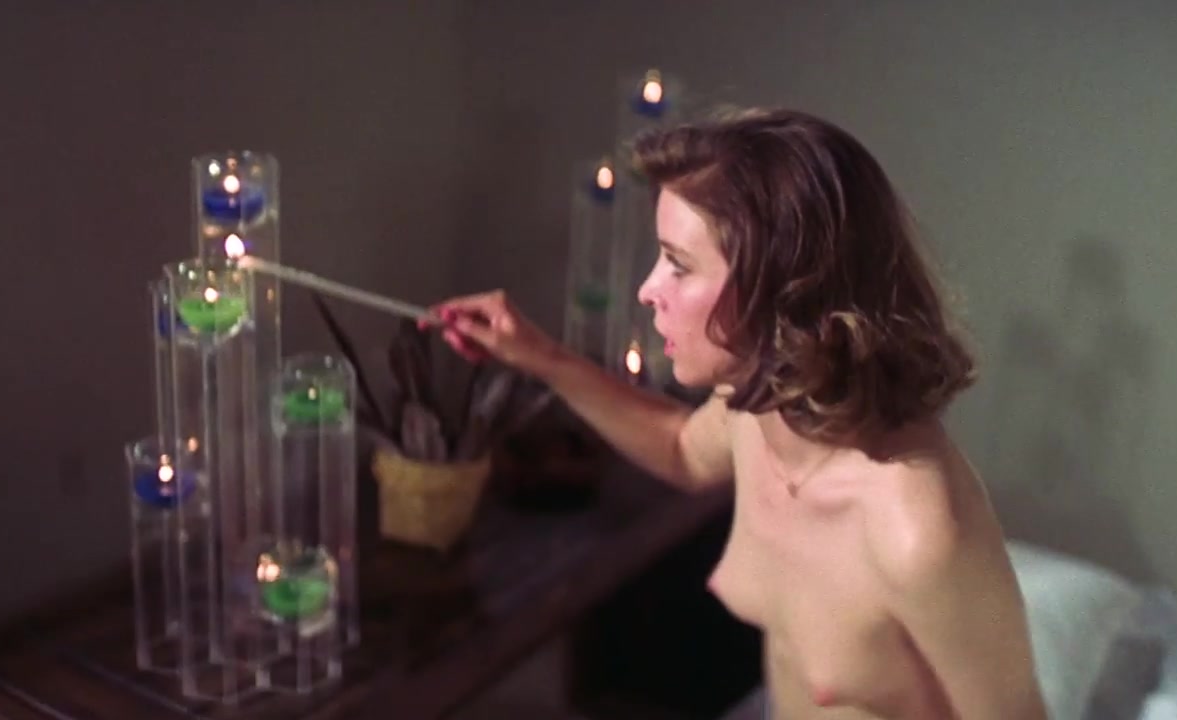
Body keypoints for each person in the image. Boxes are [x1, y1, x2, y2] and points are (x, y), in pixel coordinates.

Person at [425, 108, 1047, 719]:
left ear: (787, 289)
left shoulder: (915, 531)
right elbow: (680, 449)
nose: (648, 290)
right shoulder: (760, 410)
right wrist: (539, 356)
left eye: (678, 264)